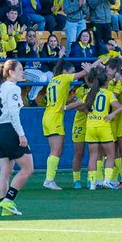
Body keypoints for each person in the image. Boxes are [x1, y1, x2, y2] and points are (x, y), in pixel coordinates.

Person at [0, 58, 31, 217]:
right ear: (11, 72)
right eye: (20, 70)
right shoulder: (12, 88)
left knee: (5, 172)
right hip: (10, 129)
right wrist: (21, 134)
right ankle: (9, 200)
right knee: (28, 168)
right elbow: (13, 113)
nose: (22, 72)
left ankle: (5, 208)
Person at [40, 58, 77, 190]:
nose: (73, 74)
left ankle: (49, 179)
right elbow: (82, 74)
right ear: (65, 71)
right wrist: (93, 66)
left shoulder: (53, 81)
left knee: (54, 150)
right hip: (55, 117)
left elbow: (58, 99)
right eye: (71, 72)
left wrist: (70, 98)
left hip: (48, 114)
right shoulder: (63, 78)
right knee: (57, 150)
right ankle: (49, 179)